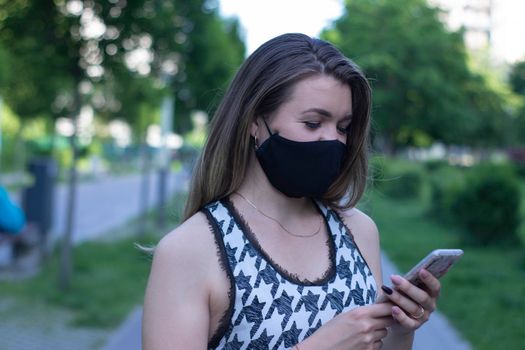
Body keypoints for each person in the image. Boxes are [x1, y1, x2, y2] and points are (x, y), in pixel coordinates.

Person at [142, 33, 441, 350]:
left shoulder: (359, 231)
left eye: (343, 127)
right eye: (313, 123)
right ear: (254, 122)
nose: (333, 141)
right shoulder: (189, 250)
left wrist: (401, 328)